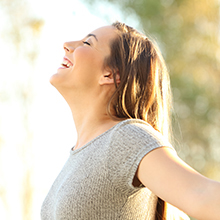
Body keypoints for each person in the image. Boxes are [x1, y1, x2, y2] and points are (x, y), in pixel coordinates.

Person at [41, 21, 220, 220]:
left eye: (87, 43)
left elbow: (202, 195)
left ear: (110, 74)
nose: (68, 44)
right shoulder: (77, 155)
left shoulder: (125, 138)